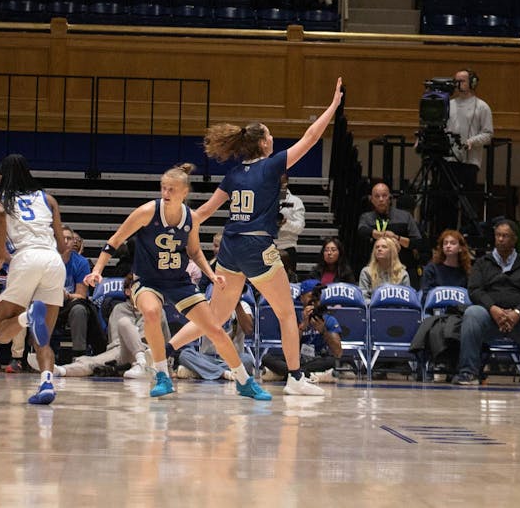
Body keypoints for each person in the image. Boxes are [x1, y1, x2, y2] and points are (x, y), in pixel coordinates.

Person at [164, 78, 343, 397]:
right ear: (262, 144)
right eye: (271, 135)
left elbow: (202, 213)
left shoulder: (233, 175)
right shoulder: (273, 165)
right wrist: (333, 106)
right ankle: (295, 378)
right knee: (287, 312)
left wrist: (171, 222)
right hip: (257, 246)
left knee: (215, 317)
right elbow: (312, 136)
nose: (274, 139)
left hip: (230, 247)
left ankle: (161, 351)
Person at [85, 163, 270, 400]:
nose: (165, 193)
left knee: (214, 328)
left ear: (185, 192)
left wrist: (211, 274)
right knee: (151, 312)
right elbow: (115, 240)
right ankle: (162, 374)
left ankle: (244, 381)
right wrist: (98, 269)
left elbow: (194, 252)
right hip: (148, 280)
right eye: (163, 188)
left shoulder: (190, 218)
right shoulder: (146, 212)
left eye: (171, 189)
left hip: (178, 281)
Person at [0, 154, 68, 405]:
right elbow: (63, 246)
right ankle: (46, 382)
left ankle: (27, 316)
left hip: (26, 257)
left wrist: (1, 256)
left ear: (1, 177)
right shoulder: (48, 199)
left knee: (2, 333)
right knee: (43, 338)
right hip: (52, 260)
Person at [451, 219, 520, 387]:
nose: (500, 239)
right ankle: (468, 372)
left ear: (514, 240)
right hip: (489, 319)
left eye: (505, 236)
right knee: (472, 313)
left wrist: (517, 312)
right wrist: (493, 309)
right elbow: (475, 290)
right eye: (498, 235)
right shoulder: (482, 263)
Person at [436, 68, 494, 235]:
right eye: (456, 80)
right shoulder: (448, 105)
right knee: (446, 204)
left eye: (462, 80)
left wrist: (472, 142)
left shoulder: (482, 107)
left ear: (472, 83)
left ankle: (469, 239)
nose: (458, 84)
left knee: (468, 204)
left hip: (469, 163)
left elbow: (488, 134)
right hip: (449, 161)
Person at [261, 279, 341, 383]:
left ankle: (289, 374)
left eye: (318, 296)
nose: (314, 300)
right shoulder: (292, 317)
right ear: (302, 297)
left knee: (332, 361)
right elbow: (288, 346)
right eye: (311, 296)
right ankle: (309, 375)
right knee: (267, 358)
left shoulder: (328, 319)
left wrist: (324, 331)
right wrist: (302, 327)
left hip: (316, 359)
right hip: (295, 359)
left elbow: (338, 352)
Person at [356, 180, 424, 282]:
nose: (381, 199)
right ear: (371, 199)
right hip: (375, 272)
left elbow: (418, 243)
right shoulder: (366, 217)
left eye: (384, 196)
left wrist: (396, 238)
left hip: (403, 269)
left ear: (390, 198)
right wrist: (382, 235)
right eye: (377, 196)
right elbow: (361, 231)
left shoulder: (405, 217)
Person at [58, 225, 106, 360]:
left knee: (79, 309)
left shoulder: (81, 262)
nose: (67, 241)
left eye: (70, 238)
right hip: (48, 300)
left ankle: (79, 355)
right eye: (63, 238)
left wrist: (67, 295)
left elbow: (81, 295)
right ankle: (39, 352)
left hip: (69, 301)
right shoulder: (46, 258)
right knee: (37, 307)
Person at [420, 229, 473, 297]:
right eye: (445, 243)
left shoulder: (466, 271)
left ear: (460, 248)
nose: (448, 246)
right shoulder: (432, 269)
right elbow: (425, 295)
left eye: (453, 243)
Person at [275, 173, 306, 279]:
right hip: (268, 246)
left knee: (289, 282)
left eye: (281, 182)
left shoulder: (296, 201)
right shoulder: (264, 200)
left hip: (287, 247)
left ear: (286, 182)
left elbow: (300, 227)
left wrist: (285, 223)